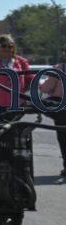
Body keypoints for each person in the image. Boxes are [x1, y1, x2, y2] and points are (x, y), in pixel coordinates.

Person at [0, 35, 31, 111]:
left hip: (17, 105)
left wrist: (21, 92)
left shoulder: (22, 62)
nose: (7, 49)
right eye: (4, 46)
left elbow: (30, 79)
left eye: (10, 46)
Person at [40, 46, 66, 177]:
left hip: (62, 109)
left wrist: (40, 84)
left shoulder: (59, 69)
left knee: (63, 138)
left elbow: (46, 88)